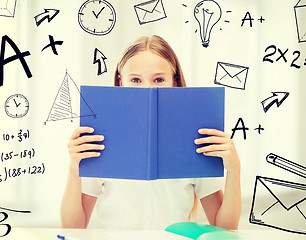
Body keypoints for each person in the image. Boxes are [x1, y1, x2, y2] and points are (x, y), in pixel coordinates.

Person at [60, 35, 241, 230]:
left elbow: (225, 228)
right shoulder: (100, 138)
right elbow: (73, 228)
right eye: (136, 79)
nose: (147, 88)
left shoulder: (196, 139)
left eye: (159, 79)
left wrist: (234, 169)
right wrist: (74, 168)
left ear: (175, 81)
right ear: (121, 82)